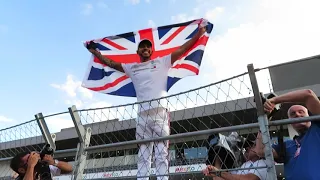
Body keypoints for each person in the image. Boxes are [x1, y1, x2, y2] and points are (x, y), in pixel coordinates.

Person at [86, 20, 208, 180]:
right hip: (142, 116)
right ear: (138, 50)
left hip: (160, 114)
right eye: (142, 46)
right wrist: (96, 53)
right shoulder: (132, 67)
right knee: (143, 156)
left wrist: (199, 34)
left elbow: (183, 49)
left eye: (147, 46)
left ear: (151, 50)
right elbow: (110, 63)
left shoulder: (162, 61)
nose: (145, 48)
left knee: (161, 154)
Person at [262, 89, 320, 180]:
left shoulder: (317, 128)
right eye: (293, 114)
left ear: (309, 116)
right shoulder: (286, 145)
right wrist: (265, 119)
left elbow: (308, 94)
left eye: (301, 112)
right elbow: (260, 150)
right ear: (290, 122)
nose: (297, 114)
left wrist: (274, 100)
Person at [203, 132, 268, 180]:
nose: (247, 149)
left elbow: (248, 179)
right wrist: (218, 154)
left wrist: (218, 173)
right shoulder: (242, 165)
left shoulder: (262, 163)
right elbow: (218, 179)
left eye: (251, 146)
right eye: (245, 147)